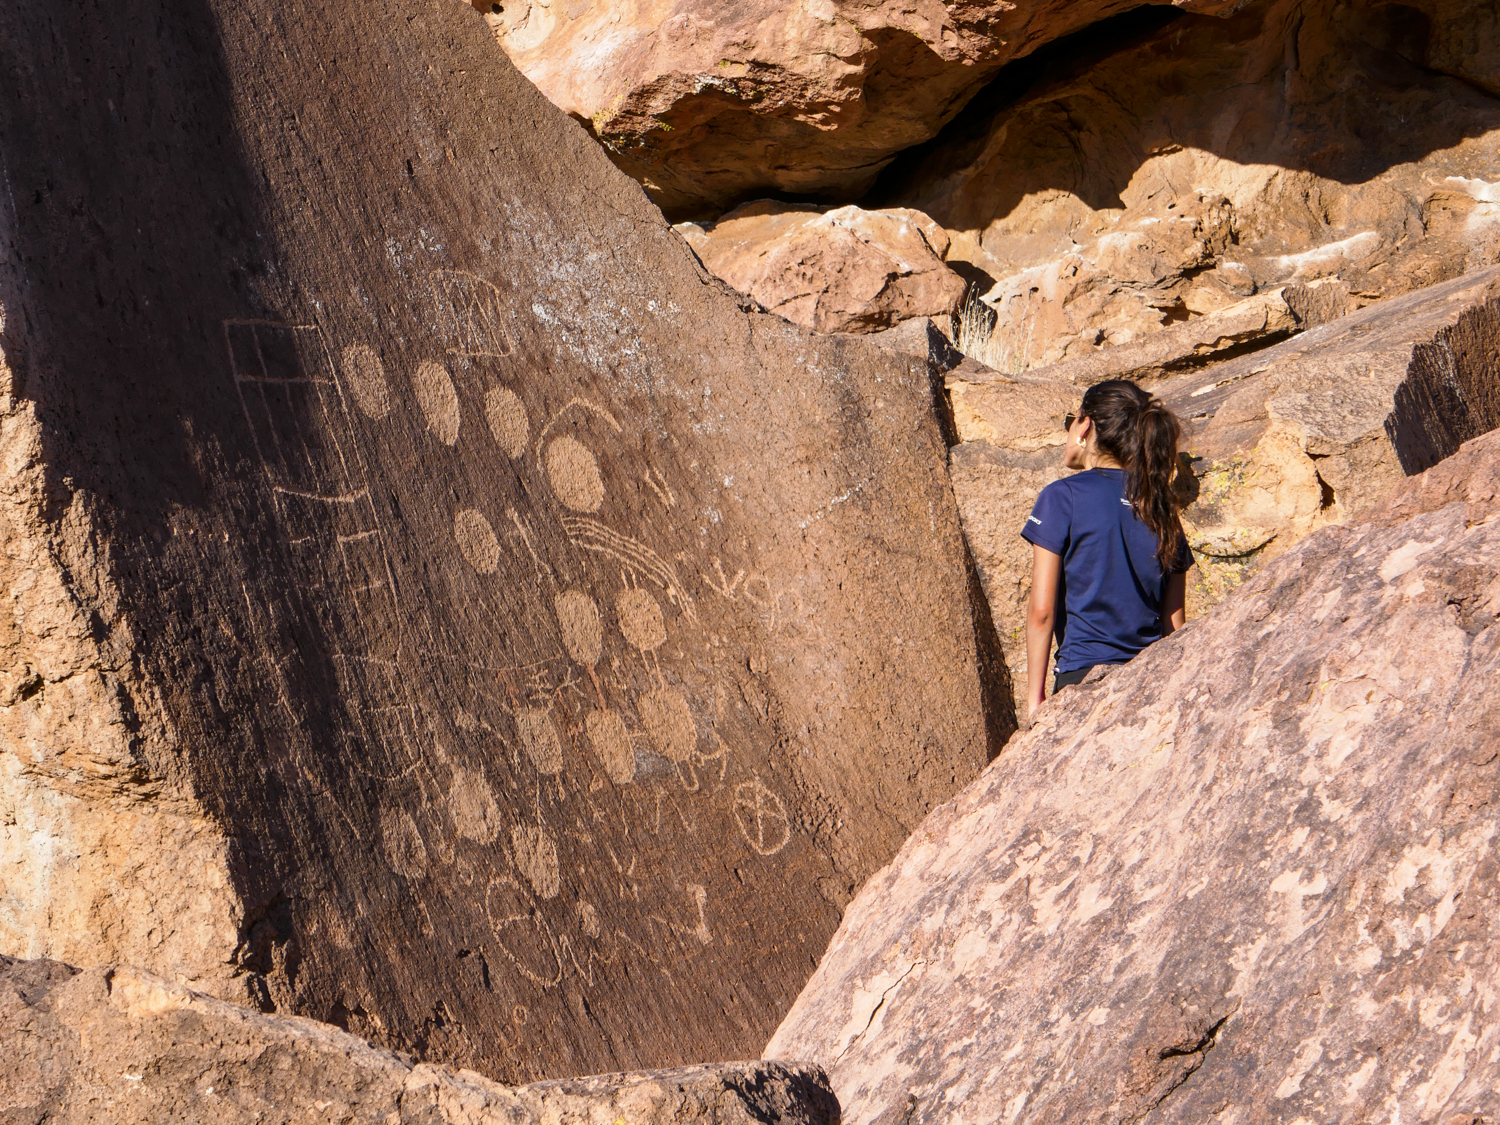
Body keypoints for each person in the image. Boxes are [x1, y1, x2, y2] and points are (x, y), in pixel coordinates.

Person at [1021, 379, 1193, 723]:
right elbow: (1175, 626)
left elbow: (1042, 611)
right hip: (1149, 682)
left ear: (1084, 424)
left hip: (1082, 678)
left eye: (1071, 418)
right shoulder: (1160, 507)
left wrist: (1034, 698)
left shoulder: (1062, 497)